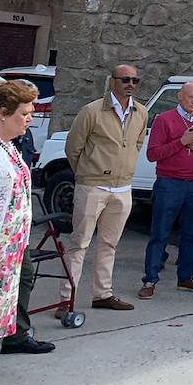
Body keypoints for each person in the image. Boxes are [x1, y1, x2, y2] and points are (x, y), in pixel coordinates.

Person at [62, 65, 149, 312]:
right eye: (125, 80)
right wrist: (88, 173)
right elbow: (73, 147)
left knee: (109, 244)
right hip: (93, 186)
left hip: (123, 188)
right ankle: (66, 298)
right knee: (79, 243)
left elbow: (137, 144)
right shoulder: (91, 111)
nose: (130, 84)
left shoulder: (141, 112)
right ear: (112, 81)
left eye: (135, 80)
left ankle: (103, 294)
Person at [140, 82, 193, 299]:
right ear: (179, 96)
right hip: (170, 182)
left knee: (192, 233)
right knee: (160, 232)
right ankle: (150, 279)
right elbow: (153, 153)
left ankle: (186, 277)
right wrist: (181, 142)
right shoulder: (164, 119)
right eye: (192, 97)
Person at [0, 80, 47, 354]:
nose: (30, 119)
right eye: (24, 113)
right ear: (3, 113)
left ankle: (14, 337)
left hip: (11, 250)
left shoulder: (9, 146)